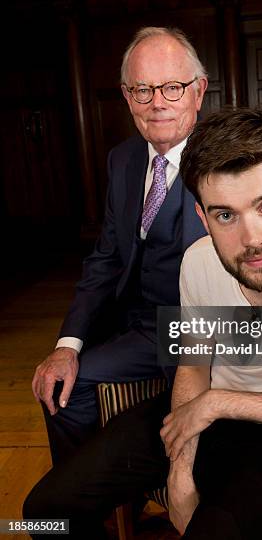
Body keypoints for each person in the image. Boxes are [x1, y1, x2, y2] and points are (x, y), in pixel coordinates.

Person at [24, 108, 262, 539]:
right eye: (225, 215)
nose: (251, 239)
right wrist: (180, 469)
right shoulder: (199, 261)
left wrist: (217, 404)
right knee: (42, 511)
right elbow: (193, 363)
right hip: (198, 411)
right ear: (203, 218)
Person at [31, 26, 208, 464]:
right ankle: (90, 515)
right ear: (127, 97)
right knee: (59, 388)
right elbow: (106, 259)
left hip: (203, 337)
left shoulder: (232, 158)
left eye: (172, 87)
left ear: (198, 91)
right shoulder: (123, 159)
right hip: (137, 325)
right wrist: (67, 346)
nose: (158, 102)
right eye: (143, 90)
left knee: (182, 436)